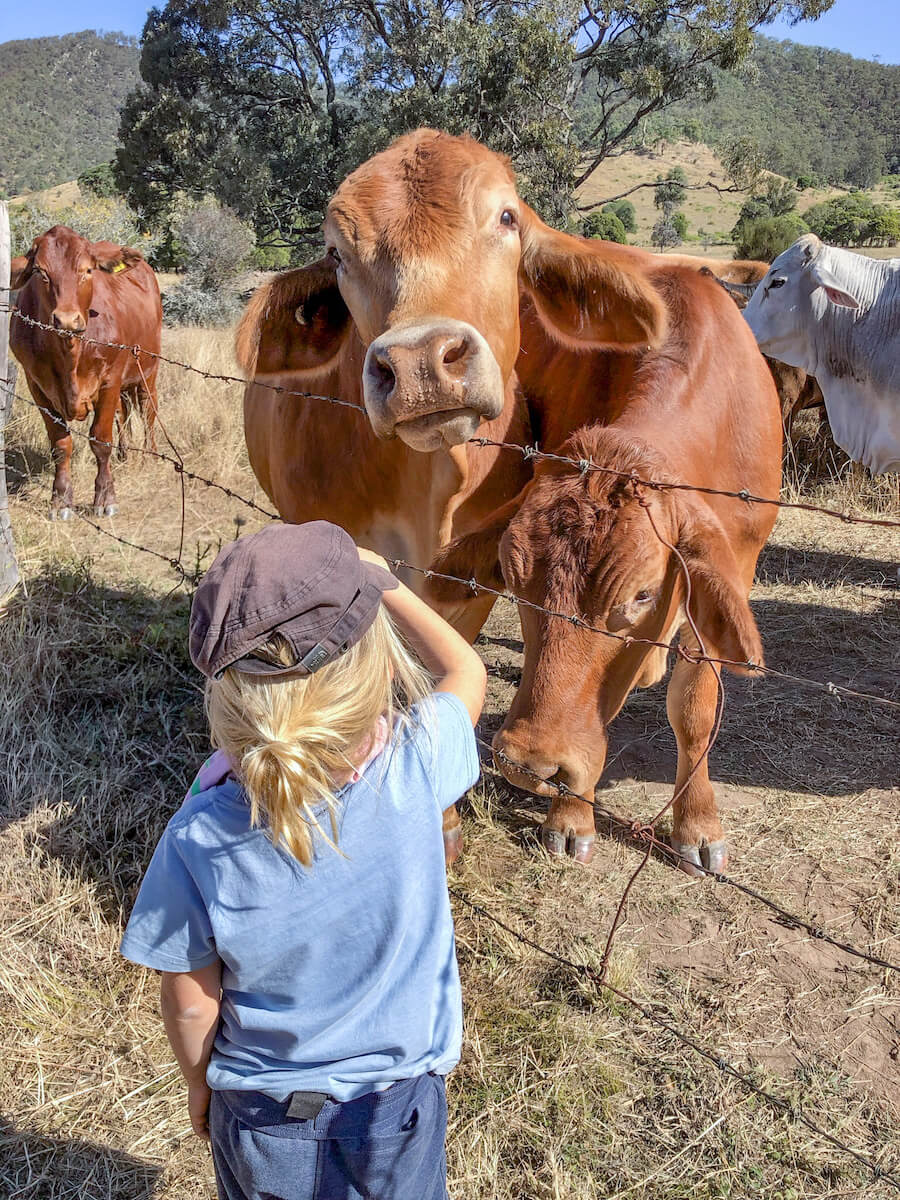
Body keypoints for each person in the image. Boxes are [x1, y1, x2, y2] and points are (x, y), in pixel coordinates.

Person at [120, 520, 486, 1200]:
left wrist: (201, 1087)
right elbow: (466, 671)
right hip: (395, 1113)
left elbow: (191, 1000)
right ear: (373, 665)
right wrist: (385, 580)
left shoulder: (198, 835)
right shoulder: (419, 765)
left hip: (260, 1116)